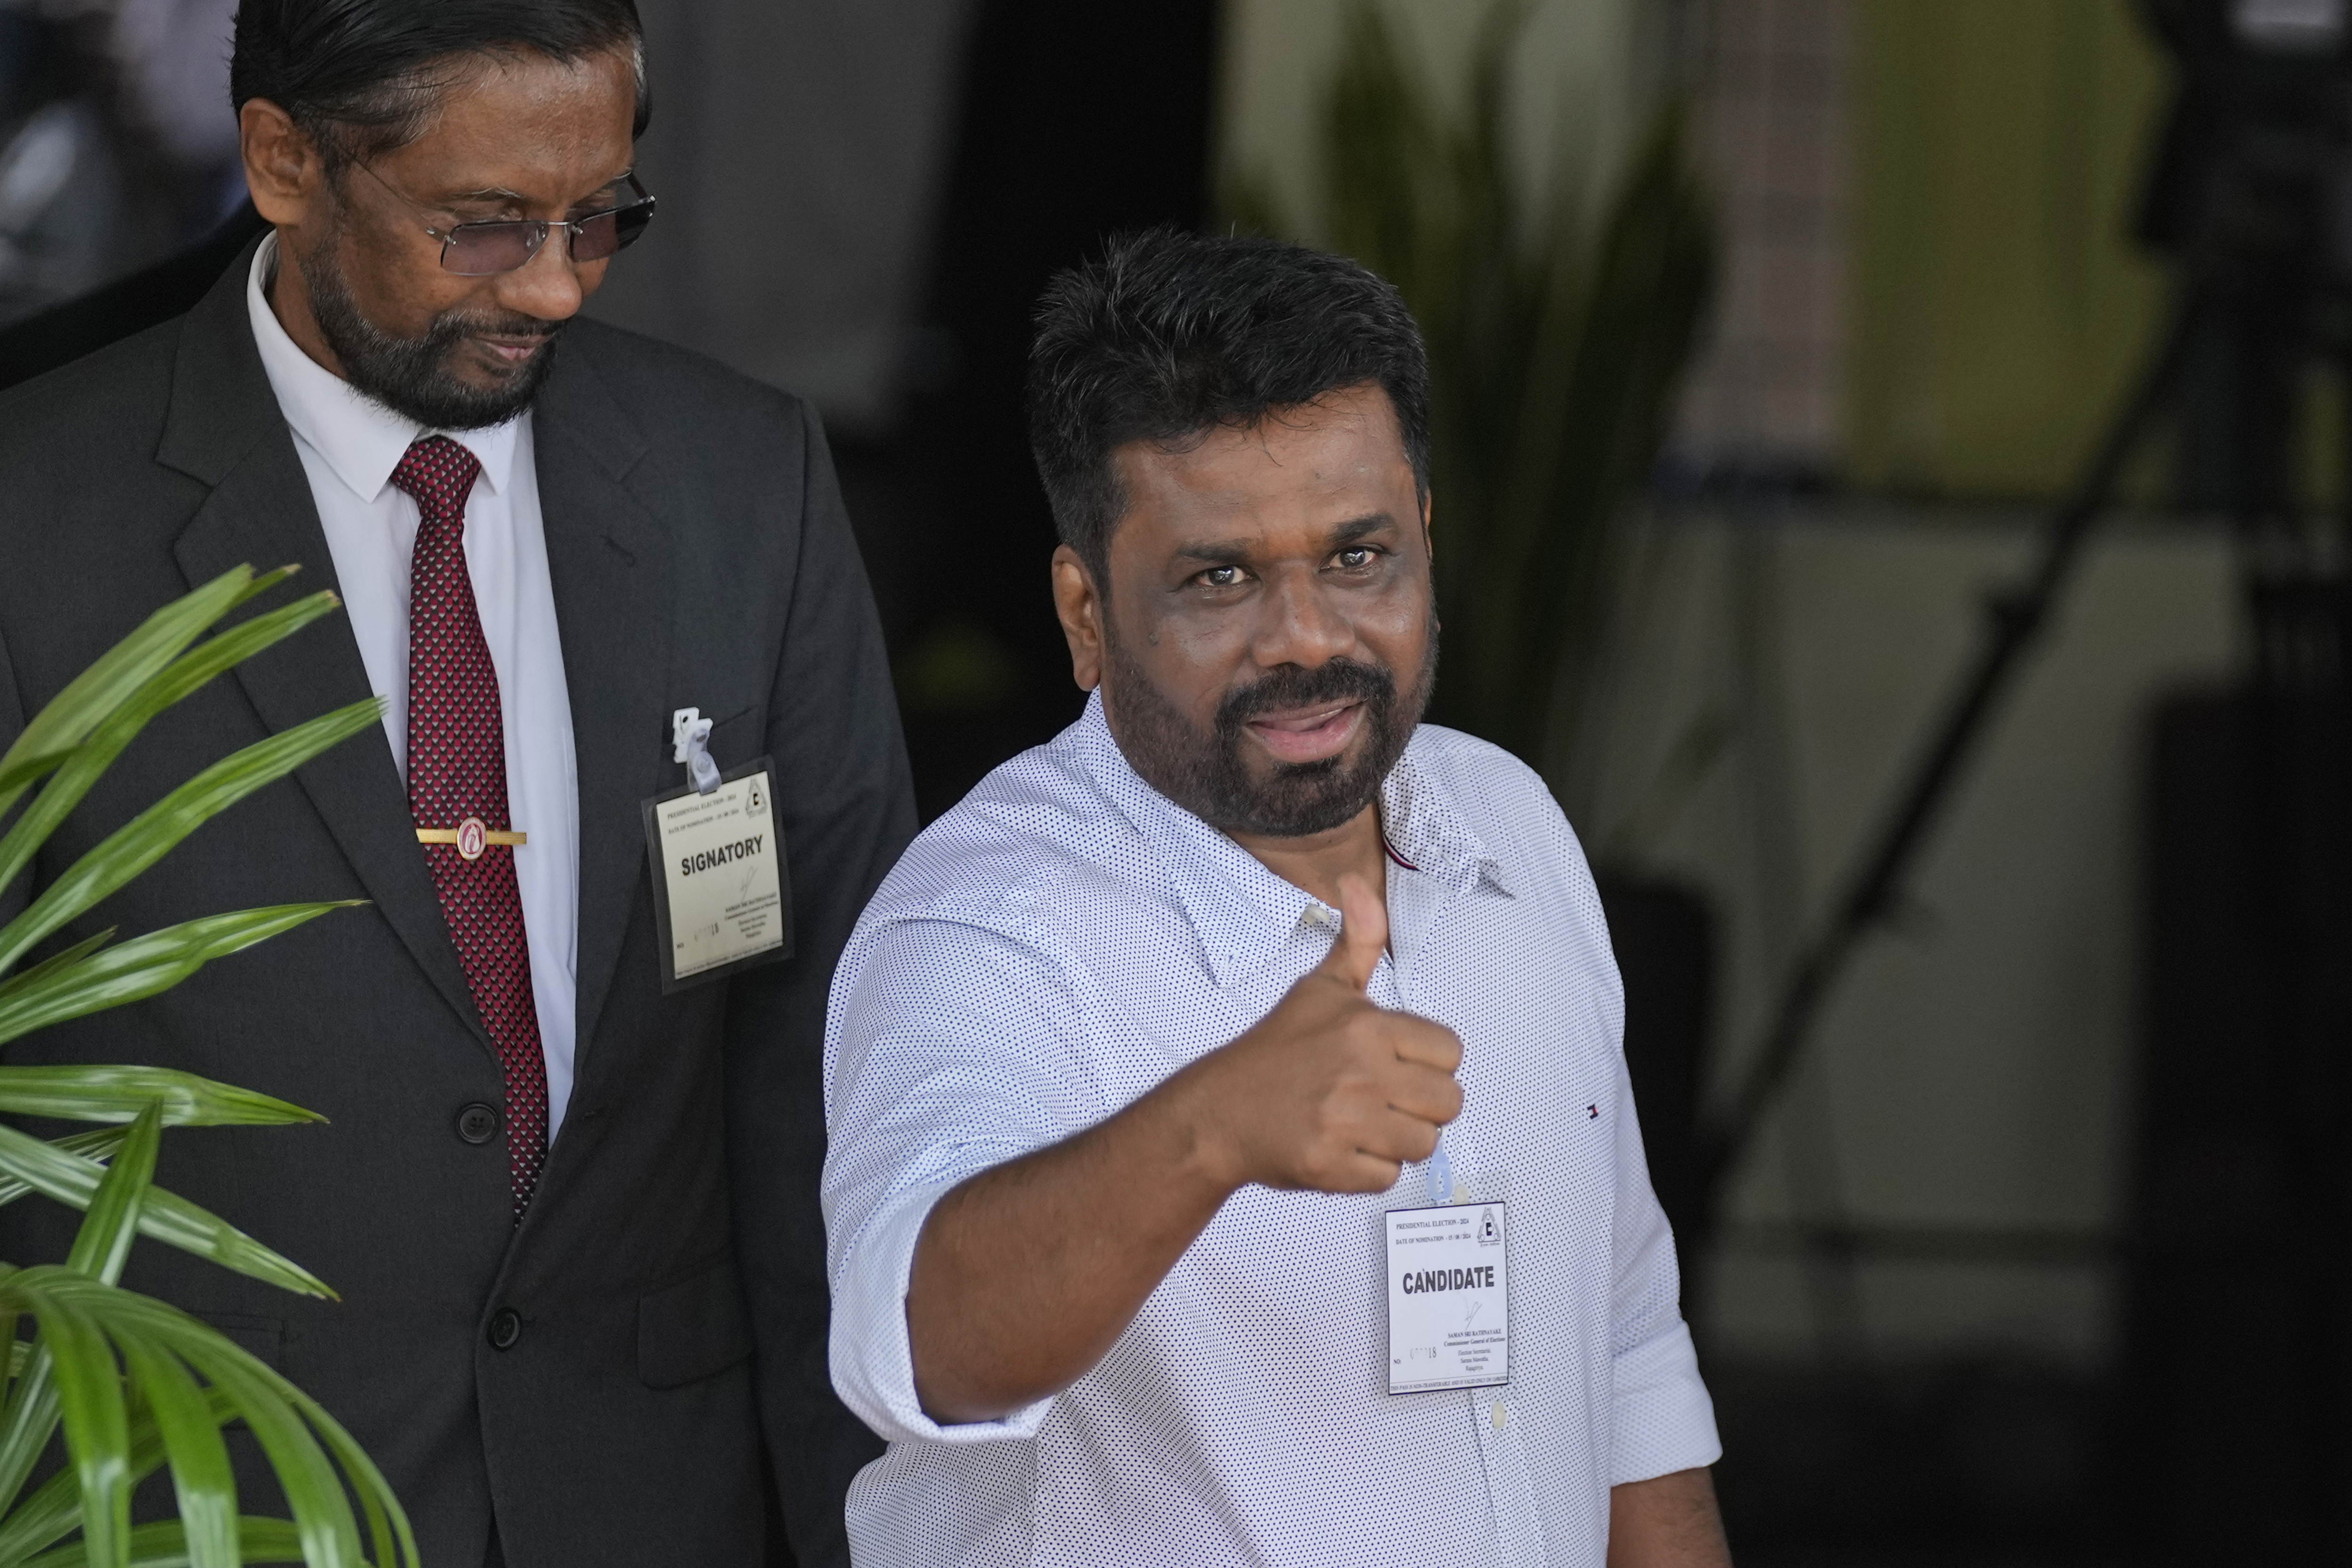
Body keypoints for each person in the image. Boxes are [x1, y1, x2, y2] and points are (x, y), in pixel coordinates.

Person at [0, 3, 912, 1564]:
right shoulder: (37, 522)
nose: (557, 283)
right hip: (209, 1505)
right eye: (485, 227)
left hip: (652, 1502)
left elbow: (834, 1069)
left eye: (601, 215)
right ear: (287, 163)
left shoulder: (740, 484)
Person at [822, 228, 1731, 1568]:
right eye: (1220, 578)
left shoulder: (1505, 823)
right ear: (1085, 612)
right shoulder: (988, 929)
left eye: (1357, 558)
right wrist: (1209, 1134)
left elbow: (1627, 1339)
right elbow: (915, 1353)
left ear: (1424, 533)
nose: (1306, 636)